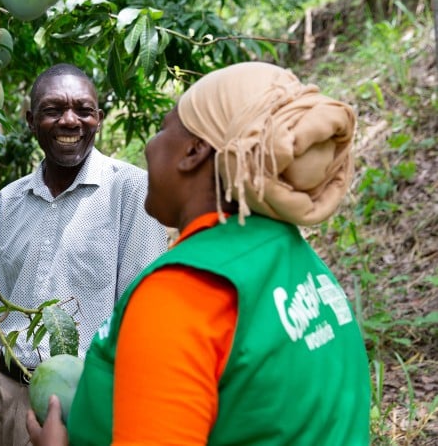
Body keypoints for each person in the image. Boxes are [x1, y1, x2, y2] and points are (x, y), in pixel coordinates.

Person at [27, 61, 371, 445]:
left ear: (194, 151)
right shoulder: (302, 264)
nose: (150, 145)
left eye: (163, 129)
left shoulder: (181, 294)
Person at [0, 63, 169, 446]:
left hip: (84, 406)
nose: (70, 120)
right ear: (30, 120)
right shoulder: (10, 200)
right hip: (7, 395)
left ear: (99, 119)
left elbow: (141, 323)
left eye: (83, 109)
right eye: (53, 109)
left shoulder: (130, 191)